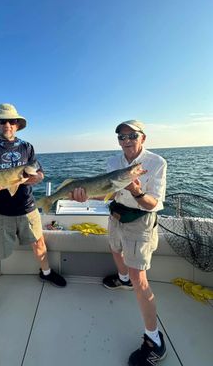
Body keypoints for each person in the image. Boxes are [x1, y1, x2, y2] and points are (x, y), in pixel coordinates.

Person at [70, 120, 167, 366]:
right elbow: (107, 193)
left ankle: (154, 339)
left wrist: (136, 191)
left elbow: (154, 204)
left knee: (139, 277)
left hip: (140, 220)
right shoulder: (114, 163)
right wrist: (84, 196)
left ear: (142, 138)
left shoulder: (157, 163)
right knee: (114, 249)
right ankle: (122, 280)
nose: (126, 141)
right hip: (116, 215)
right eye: (121, 137)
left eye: (131, 136)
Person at [0, 103, 66, 334]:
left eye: (12, 121)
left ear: (17, 125)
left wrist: (35, 179)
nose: (7, 125)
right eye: (2, 121)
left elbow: (39, 173)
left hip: (27, 207)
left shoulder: (28, 147)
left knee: (39, 243)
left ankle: (45, 273)